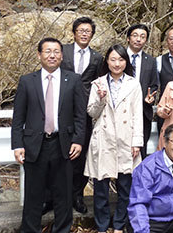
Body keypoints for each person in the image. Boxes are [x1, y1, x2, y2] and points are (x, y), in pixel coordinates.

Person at [11, 37, 86, 233]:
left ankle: (62, 229)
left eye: (56, 52)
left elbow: (80, 115)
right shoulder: (27, 81)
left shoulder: (74, 80)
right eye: (47, 51)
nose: (52, 55)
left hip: (64, 145)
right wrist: (17, 144)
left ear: (62, 56)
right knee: (34, 195)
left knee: (64, 195)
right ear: (39, 55)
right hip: (35, 145)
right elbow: (18, 118)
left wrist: (78, 140)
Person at [84, 44, 143, 233]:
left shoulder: (133, 83)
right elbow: (91, 112)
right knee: (100, 187)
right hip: (104, 137)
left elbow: (137, 114)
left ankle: (119, 225)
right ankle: (102, 226)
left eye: (121, 59)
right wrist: (101, 99)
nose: (117, 64)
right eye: (113, 59)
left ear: (126, 61)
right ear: (107, 61)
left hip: (126, 139)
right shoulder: (99, 83)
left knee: (125, 186)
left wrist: (137, 142)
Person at [60, 16, 103, 214]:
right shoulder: (62, 51)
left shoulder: (97, 57)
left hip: (85, 113)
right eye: (81, 30)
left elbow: (98, 83)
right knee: (59, 153)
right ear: (74, 32)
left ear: (92, 35)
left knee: (82, 154)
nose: (85, 33)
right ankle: (54, 197)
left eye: (88, 31)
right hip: (61, 109)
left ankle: (77, 195)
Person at [126, 23, 159, 159]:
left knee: (141, 151)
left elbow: (154, 85)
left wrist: (150, 99)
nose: (138, 39)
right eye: (135, 35)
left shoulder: (150, 61)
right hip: (121, 111)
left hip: (142, 111)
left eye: (142, 36)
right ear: (128, 38)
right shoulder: (118, 57)